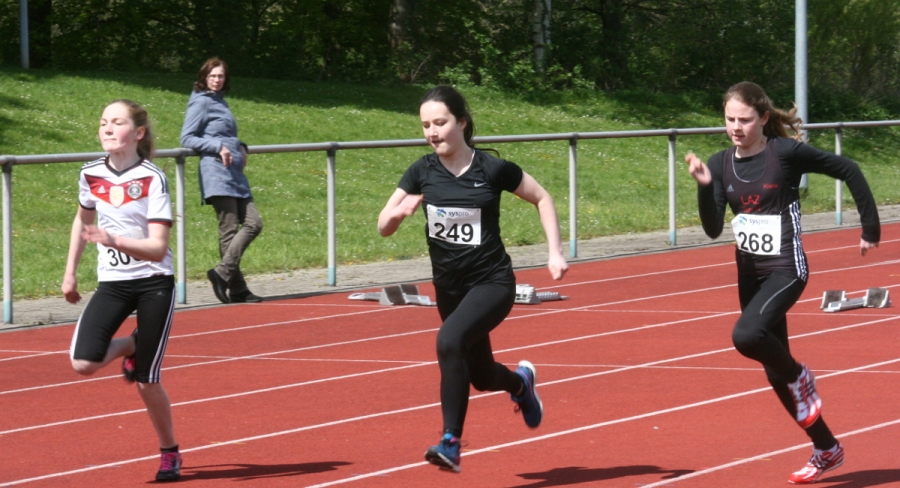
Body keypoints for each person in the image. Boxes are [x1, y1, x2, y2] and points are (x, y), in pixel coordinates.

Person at [685, 81, 880, 485]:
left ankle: (800, 376)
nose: (736, 127)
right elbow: (711, 229)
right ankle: (826, 447)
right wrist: (705, 186)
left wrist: (870, 227)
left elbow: (850, 169)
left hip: (786, 268)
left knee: (746, 336)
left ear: (764, 118)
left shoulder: (784, 154)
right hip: (749, 273)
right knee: (773, 368)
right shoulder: (720, 162)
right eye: (729, 119)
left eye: (744, 120)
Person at [378, 85, 569, 473]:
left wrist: (555, 251)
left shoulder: (491, 169)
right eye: (426, 125)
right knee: (480, 376)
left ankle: (450, 441)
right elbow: (383, 225)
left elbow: (542, 197)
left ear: (461, 123)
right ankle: (520, 384)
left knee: (449, 341)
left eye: (440, 122)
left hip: (492, 283)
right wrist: (401, 213)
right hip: (450, 288)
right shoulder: (420, 171)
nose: (432, 132)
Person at [64, 100, 182, 482]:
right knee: (83, 363)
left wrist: (113, 238)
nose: (108, 129)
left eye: (117, 123)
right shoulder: (90, 173)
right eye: (103, 123)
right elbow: (82, 221)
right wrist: (70, 274)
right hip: (113, 283)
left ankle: (169, 452)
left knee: (147, 380)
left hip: (153, 283)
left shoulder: (152, 178)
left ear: (139, 133)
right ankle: (130, 346)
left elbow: (157, 247)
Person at [180, 57, 263, 304]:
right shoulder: (201, 103)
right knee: (229, 230)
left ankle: (225, 277)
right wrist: (217, 146)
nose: (217, 80)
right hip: (216, 171)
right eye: (213, 76)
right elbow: (187, 138)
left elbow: (225, 133)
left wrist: (240, 145)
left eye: (221, 76)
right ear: (204, 77)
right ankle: (235, 285)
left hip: (234, 172)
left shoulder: (220, 102)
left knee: (253, 222)